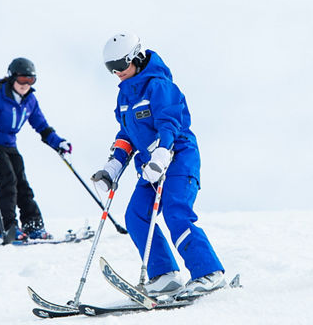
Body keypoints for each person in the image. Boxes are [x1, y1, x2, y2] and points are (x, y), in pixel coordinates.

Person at [91, 32, 225, 297]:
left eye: (121, 65)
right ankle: (164, 275)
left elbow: (170, 122)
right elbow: (127, 135)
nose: (117, 72)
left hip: (177, 158)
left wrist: (163, 153)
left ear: (136, 58)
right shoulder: (125, 97)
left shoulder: (159, 86)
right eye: (111, 68)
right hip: (151, 166)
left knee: (176, 210)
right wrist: (113, 168)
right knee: (136, 215)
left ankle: (209, 272)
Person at [0, 57, 71, 244]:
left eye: (30, 80)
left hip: (10, 145)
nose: (25, 84)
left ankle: (33, 225)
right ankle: (7, 228)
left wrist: (59, 143)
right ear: (12, 78)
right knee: (7, 180)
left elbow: (42, 127)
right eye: (22, 80)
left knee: (22, 184)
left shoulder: (30, 101)